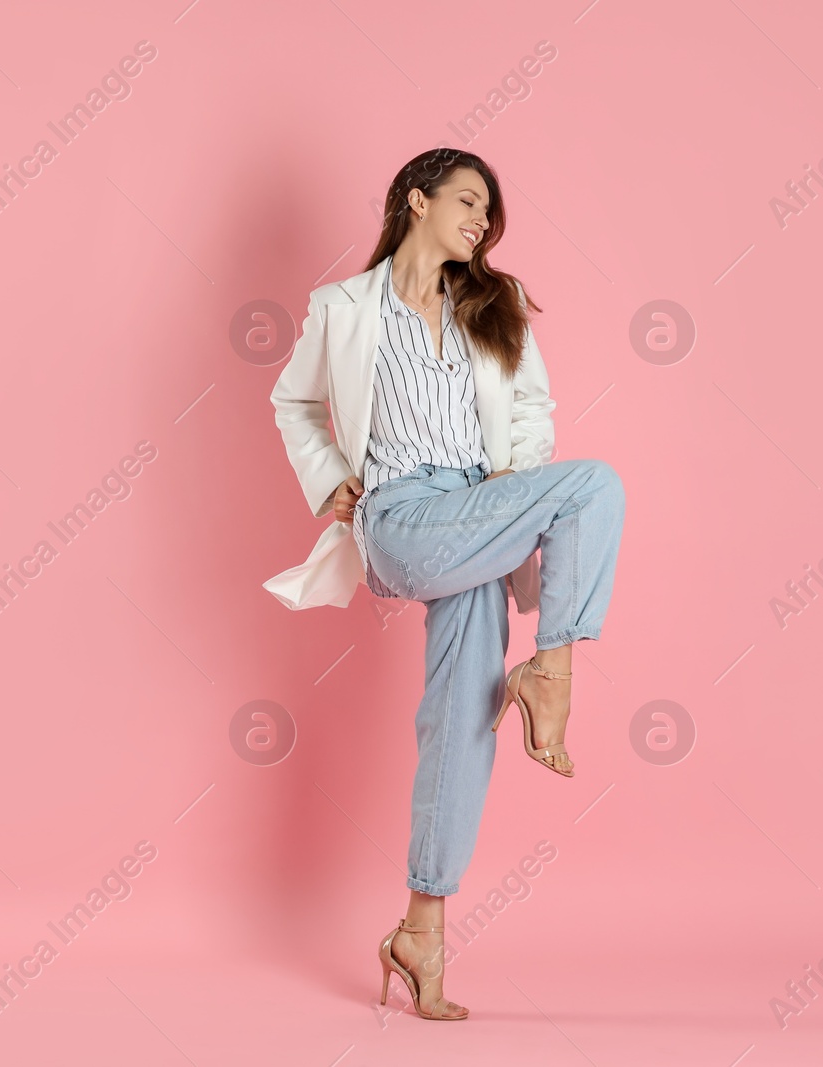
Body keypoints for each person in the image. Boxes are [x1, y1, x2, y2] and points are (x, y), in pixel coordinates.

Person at [268, 148, 625, 1021]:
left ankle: (420, 929)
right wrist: (330, 481)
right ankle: (555, 671)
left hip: (480, 507)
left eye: (488, 213)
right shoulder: (343, 309)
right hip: (399, 517)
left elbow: (531, 410)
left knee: (461, 720)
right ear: (415, 199)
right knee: (598, 485)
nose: (480, 221)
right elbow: (294, 402)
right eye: (467, 201)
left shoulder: (492, 307)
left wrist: (510, 489)